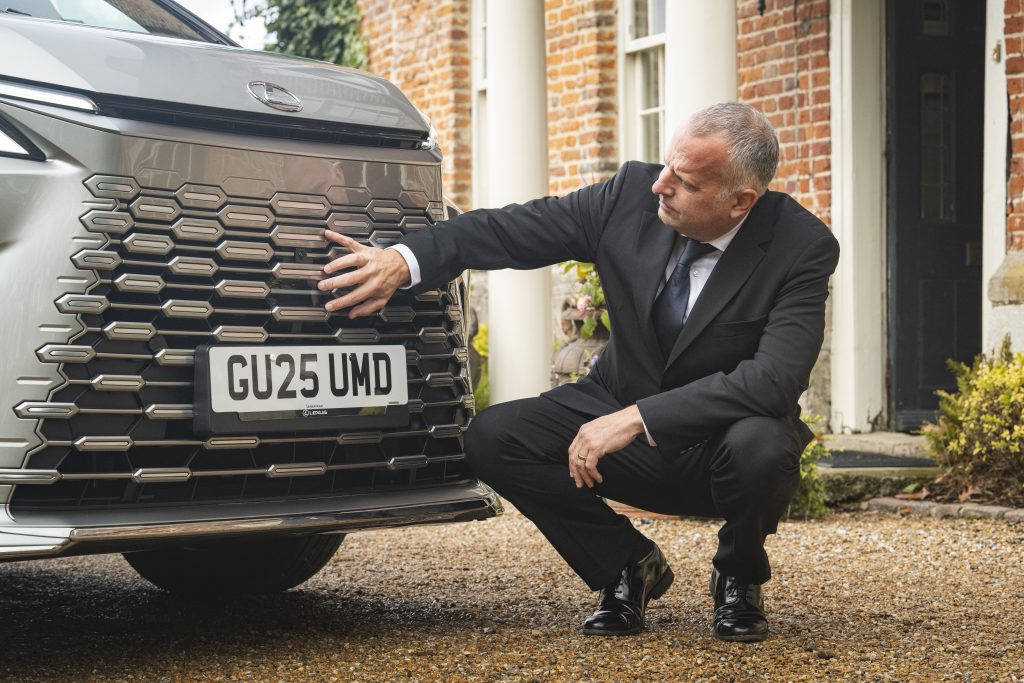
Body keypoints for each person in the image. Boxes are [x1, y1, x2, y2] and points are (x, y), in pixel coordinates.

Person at [317, 102, 840, 642]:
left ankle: (738, 576)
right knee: (494, 438)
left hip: (719, 447)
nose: (660, 185)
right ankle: (626, 566)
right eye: (666, 166)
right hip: (618, 405)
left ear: (740, 202)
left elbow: (774, 379)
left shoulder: (800, 246)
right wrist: (405, 260)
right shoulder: (629, 198)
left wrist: (639, 419)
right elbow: (511, 230)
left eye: (684, 182)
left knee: (765, 443)